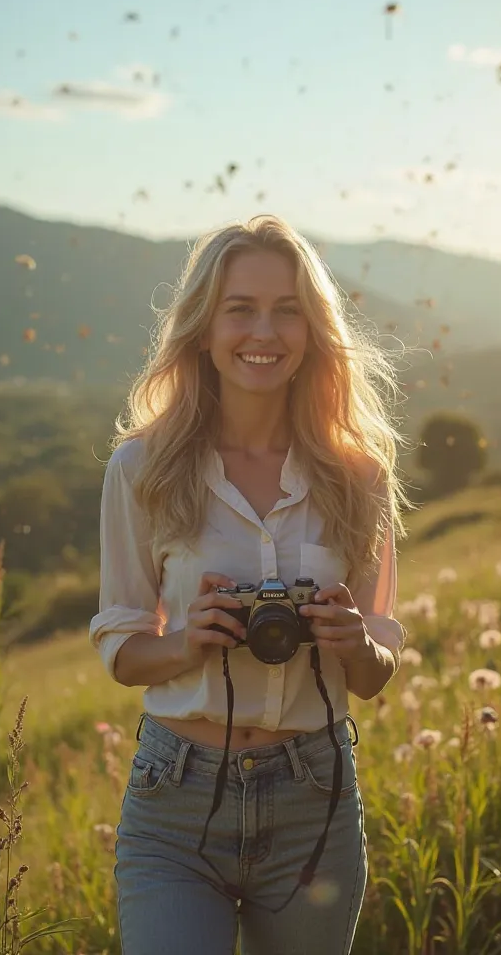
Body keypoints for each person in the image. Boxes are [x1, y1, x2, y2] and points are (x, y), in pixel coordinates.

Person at [89, 214, 413, 955]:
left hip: (315, 800)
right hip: (176, 798)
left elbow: (373, 675)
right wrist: (186, 646)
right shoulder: (142, 469)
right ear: (204, 329)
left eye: (286, 309)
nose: (262, 331)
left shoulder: (359, 476)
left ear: (312, 332)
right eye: (240, 309)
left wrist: (356, 642)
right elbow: (121, 644)